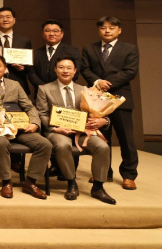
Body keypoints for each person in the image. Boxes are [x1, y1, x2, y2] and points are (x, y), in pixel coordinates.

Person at [0, 53, 51, 199]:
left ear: (5, 68)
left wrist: (34, 123)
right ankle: (6, 182)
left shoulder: (15, 85)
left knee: (45, 144)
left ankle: (30, 182)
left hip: (19, 128)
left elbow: (29, 107)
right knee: (1, 142)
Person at [36, 57, 115, 204]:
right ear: (55, 69)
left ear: (75, 71)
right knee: (62, 145)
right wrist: (55, 128)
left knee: (102, 147)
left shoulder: (85, 90)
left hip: (82, 131)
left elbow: (99, 111)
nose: (65, 71)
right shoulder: (44, 89)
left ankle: (98, 187)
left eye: (69, 68)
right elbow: (41, 114)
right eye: (61, 67)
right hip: (57, 131)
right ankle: (71, 183)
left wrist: (103, 120)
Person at [80, 16, 139, 190]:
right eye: (103, 28)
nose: (107, 31)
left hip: (120, 99)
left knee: (126, 139)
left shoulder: (129, 49)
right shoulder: (89, 48)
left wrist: (107, 82)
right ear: (98, 30)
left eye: (112, 28)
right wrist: (98, 81)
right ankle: (104, 172)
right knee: (102, 139)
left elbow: (130, 72)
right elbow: (85, 69)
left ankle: (129, 175)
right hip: (97, 100)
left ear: (119, 30)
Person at [27, 20, 80, 89]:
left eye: (55, 31)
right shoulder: (35, 53)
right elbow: (31, 73)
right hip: (40, 91)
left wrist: (55, 89)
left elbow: (75, 73)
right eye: (47, 30)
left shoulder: (72, 51)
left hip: (63, 90)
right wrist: (44, 88)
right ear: (43, 34)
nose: (51, 33)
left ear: (62, 34)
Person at [0, 7, 32, 94]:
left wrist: (22, 68)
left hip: (18, 83)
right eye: (1, 17)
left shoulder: (24, 41)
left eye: (8, 17)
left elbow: (29, 67)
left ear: (14, 20)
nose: (5, 20)